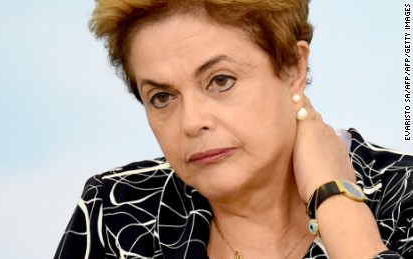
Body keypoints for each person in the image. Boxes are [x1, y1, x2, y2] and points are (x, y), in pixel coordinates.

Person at [54, 0, 413, 258]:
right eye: (162, 97)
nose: (192, 122)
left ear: (293, 66)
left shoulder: (404, 198)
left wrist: (335, 199)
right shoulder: (117, 212)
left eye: (220, 80)